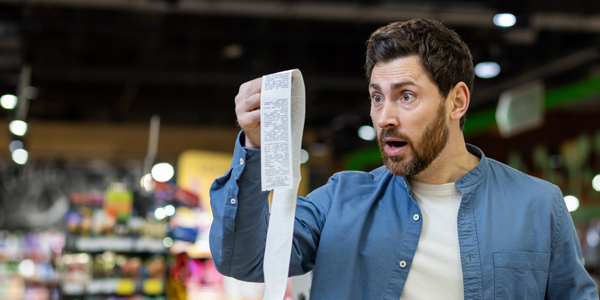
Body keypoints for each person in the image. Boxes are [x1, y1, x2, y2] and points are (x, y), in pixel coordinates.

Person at [209, 19, 599, 299]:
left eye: (406, 95)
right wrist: (257, 149)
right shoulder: (339, 199)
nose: (384, 117)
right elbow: (244, 260)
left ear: (457, 102)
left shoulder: (537, 204)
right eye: (377, 97)